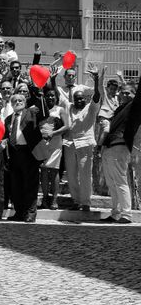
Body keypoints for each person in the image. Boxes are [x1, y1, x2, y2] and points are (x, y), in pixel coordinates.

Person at [100, 68, 141, 224]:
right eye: (122, 92)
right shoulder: (119, 108)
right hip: (109, 147)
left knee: (120, 180)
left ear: (133, 95)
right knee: (111, 182)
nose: (124, 95)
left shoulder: (133, 108)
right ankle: (116, 212)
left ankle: (126, 214)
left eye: (128, 93)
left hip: (120, 146)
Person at [62, 66, 103, 212]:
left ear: (85, 99)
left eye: (81, 98)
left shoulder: (91, 108)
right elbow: (57, 94)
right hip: (69, 144)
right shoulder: (69, 107)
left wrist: (97, 79)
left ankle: (86, 202)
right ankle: (76, 200)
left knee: (85, 175)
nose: (79, 100)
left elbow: (97, 95)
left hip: (85, 144)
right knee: (72, 175)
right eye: (76, 98)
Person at [3, 94, 43, 222]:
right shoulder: (8, 119)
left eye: (20, 100)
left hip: (29, 152)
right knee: (16, 185)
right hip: (14, 153)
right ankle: (19, 212)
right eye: (15, 101)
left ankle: (31, 213)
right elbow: (6, 135)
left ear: (25, 102)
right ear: (11, 104)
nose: (18, 102)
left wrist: (39, 96)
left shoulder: (31, 113)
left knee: (30, 184)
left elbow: (43, 113)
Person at [36, 89, 69, 210]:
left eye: (52, 96)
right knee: (43, 170)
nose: (50, 98)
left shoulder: (60, 109)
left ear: (56, 97)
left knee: (54, 170)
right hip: (42, 142)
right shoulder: (41, 110)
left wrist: (53, 133)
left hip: (55, 142)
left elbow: (67, 126)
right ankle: (45, 198)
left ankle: (54, 199)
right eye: (48, 95)